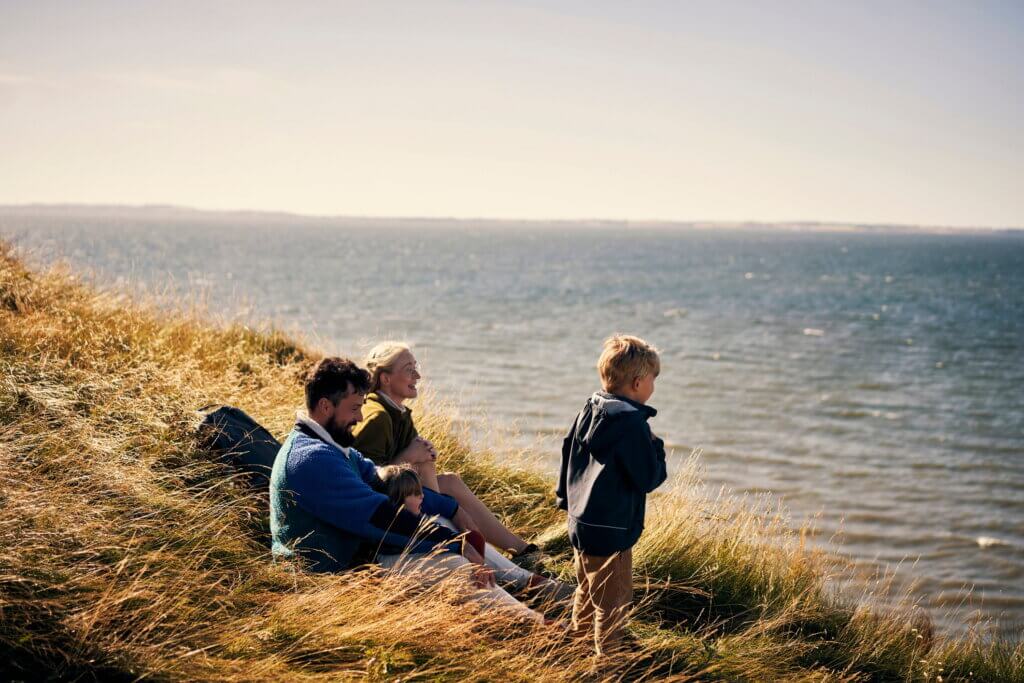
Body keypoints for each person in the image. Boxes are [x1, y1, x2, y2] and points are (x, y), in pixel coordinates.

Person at [269, 356, 543, 622]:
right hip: (327, 576)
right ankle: (538, 628)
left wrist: (454, 509)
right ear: (326, 407)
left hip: (360, 552)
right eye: (354, 409)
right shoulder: (311, 459)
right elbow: (383, 518)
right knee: (454, 566)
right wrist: (453, 543)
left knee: (441, 521)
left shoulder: (336, 449)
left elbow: (384, 484)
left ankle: (527, 582)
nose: (360, 416)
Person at [352, 342, 540, 561]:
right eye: (409, 370)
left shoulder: (397, 412)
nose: (418, 376)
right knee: (428, 471)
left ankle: (521, 550)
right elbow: (366, 482)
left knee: (450, 481)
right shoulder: (377, 418)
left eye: (416, 367)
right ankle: (454, 539)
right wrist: (410, 457)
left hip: (403, 494)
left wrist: (423, 453)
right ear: (385, 378)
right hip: (382, 515)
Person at [555, 335, 668, 655]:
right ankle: (607, 666)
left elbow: (568, 452)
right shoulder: (632, 425)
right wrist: (656, 446)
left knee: (586, 590)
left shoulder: (591, 408)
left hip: (580, 522)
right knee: (613, 603)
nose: (653, 388)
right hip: (613, 530)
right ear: (637, 383)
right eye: (652, 380)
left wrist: (565, 499)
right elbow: (648, 477)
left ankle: (578, 648)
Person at [378, 464, 567, 600]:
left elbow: (424, 501)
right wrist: (463, 547)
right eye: (415, 493)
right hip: (391, 561)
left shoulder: (362, 463)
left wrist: (454, 510)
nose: (421, 496)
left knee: (445, 521)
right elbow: (419, 533)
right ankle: (533, 620)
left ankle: (526, 581)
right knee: (460, 564)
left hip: (415, 539)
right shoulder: (386, 516)